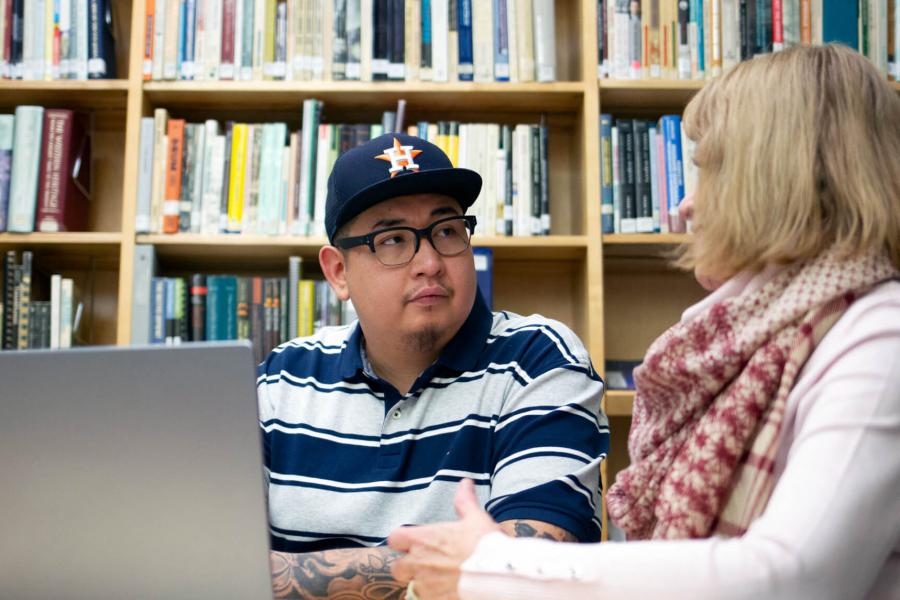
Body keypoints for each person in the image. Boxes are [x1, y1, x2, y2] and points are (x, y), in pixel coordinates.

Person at [387, 44, 900, 599]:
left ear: (782, 179)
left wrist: (496, 567)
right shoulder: (747, 341)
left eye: (707, 170)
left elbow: (797, 577)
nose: (683, 205)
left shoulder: (880, 337)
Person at [258, 133, 609, 598]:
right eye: (393, 240)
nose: (429, 262)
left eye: (446, 231)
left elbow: (533, 569)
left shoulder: (538, 359)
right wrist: (460, 561)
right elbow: (208, 560)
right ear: (338, 273)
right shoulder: (282, 378)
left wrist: (274, 573)